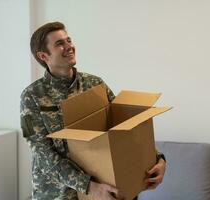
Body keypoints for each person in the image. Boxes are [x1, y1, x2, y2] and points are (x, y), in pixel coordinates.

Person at [20, 21, 166, 200]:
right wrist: (89, 186)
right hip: (59, 195)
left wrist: (158, 159)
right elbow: (43, 154)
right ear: (43, 56)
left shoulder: (94, 84)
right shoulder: (32, 96)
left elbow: (124, 127)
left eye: (69, 40)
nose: (69, 46)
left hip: (105, 189)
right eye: (59, 44)